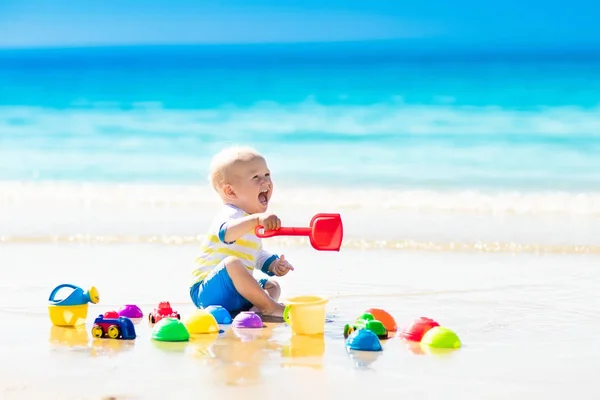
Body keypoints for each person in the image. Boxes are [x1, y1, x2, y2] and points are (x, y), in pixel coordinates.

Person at [189, 145, 294, 319]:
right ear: (230, 191)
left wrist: (274, 265)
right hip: (206, 292)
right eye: (256, 177)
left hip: (235, 292)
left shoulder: (250, 220)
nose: (266, 181)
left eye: (267, 174)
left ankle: (256, 309)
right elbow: (226, 234)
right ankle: (269, 307)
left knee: (273, 285)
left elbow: (256, 253)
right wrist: (256, 220)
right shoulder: (230, 214)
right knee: (232, 263)